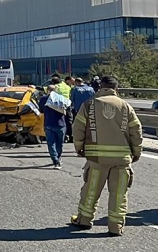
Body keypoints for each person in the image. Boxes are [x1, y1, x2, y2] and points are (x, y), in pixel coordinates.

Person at [70, 76, 143, 236]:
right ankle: (116, 226)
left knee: (91, 191)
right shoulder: (126, 106)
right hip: (122, 159)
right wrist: (136, 152)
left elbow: (78, 128)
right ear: (116, 89)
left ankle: (84, 220)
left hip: (97, 158)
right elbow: (136, 131)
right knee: (119, 194)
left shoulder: (89, 105)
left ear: (99, 87)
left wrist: (79, 147)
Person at [38, 84, 66, 168]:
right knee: (59, 143)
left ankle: (55, 160)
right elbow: (68, 109)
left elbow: (41, 110)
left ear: (47, 90)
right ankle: (58, 157)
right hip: (60, 124)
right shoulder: (61, 98)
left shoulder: (43, 99)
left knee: (51, 143)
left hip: (49, 123)